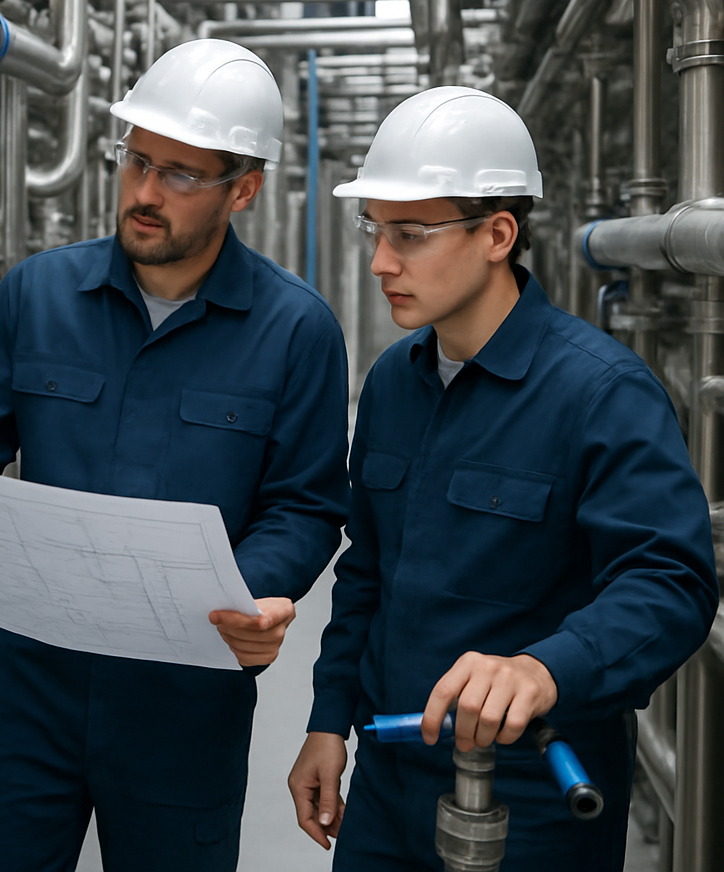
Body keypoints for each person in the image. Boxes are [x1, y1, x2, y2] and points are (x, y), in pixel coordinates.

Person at [0, 39, 350, 872]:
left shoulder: (296, 330)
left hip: (183, 693)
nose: (146, 193)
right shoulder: (39, 295)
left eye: (181, 174)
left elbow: (304, 504)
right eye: (138, 161)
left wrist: (253, 593)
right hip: (23, 683)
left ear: (244, 189)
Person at [287, 86, 718, 871]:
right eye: (375, 229)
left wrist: (546, 667)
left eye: (410, 234)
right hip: (388, 778)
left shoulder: (601, 393)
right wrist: (328, 719)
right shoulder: (393, 382)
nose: (381, 261)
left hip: (535, 795)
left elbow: (671, 583)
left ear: (497, 235)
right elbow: (368, 573)